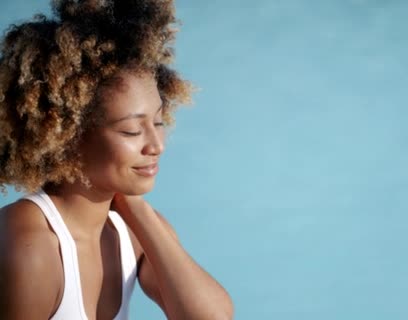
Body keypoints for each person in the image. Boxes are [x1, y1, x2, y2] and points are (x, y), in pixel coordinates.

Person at [0, 0, 233, 319]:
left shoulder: (130, 228)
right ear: (67, 135)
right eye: (131, 130)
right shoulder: (28, 244)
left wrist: (136, 208)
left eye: (159, 122)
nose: (157, 145)